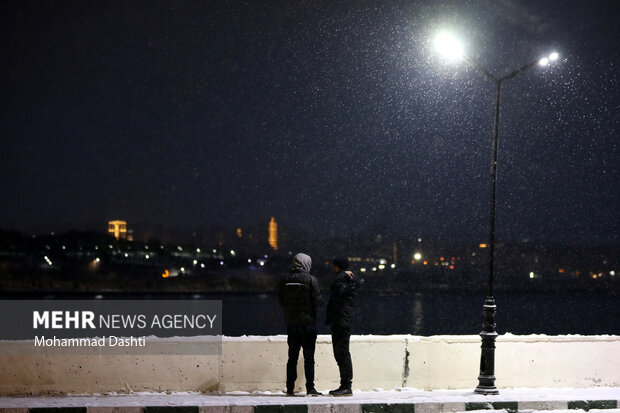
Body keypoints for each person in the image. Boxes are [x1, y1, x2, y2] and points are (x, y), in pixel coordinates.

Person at [278, 252, 323, 396]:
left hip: (292, 324)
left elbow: (281, 301)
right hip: (308, 324)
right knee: (309, 357)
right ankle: (310, 388)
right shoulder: (311, 279)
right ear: (306, 263)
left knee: (292, 357)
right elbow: (318, 302)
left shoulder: (284, 279)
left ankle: (290, 388)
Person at [325, 256, 363, 397]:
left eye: (335, 265)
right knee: (341, 353)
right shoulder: (348, 280)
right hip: (341, 320)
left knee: (342, 353)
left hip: (342, 321)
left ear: (339, 267)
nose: (332, 268)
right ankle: (345, 385)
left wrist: (341, 276)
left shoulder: (344, 280)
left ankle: (346, 386)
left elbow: (337, 291)